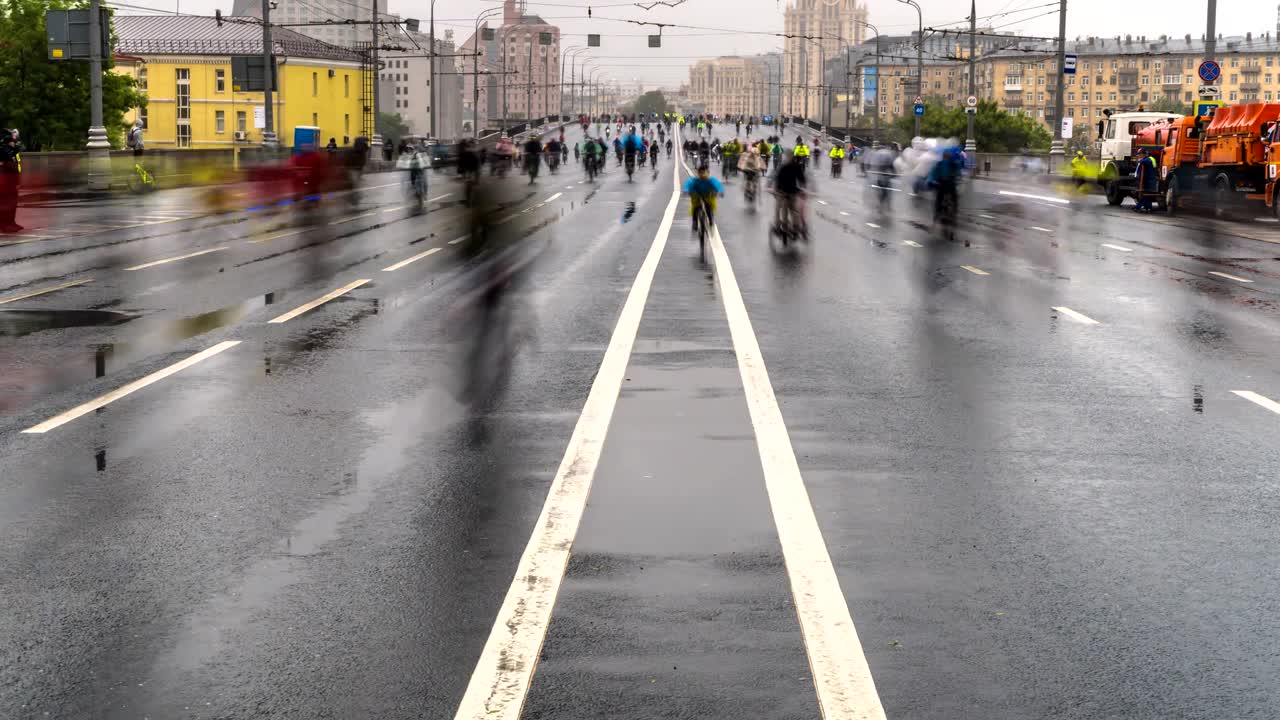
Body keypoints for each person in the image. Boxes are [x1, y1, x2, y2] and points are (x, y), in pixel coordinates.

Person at [771, 150, 808, 236]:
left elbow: (778, 180)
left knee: (783, 209)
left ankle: (782, 226)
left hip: (785, 192)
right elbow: (802, 180)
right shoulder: (795, 166)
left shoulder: (783, 166)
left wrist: (777, 191)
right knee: (792, 210)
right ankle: (793, 227)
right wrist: (802, 189)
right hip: (790, 192)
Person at [682, 164, 724, 232]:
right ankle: (695, 222)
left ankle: (710, 219)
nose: (702, 175)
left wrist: (720, 192)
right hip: (697, 195)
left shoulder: (710, 180)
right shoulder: (695, 180)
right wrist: (685, 191)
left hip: (708, 195)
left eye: (703, 172)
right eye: (700, 173)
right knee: (695, 208)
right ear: (698, 173)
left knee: (708, 207)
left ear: (707, 172)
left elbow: (718, 185)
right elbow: (688, 184)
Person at [0, 129, 21, 233]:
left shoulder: (12, 150)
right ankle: (5, 225)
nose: (15, 142)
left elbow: (15, 164)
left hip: (11, 181)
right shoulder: (3, 151)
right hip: (5, 182)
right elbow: (8, 165)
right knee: (5, 204)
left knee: (12, 203)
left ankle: (11, 223)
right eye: (13, 141)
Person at [1134, 147, 1158, 212]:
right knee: (1146, 195)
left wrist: (1140, 161)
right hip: (1146, 180)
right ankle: (1147, 207)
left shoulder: (1149, 159)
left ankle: (1139, 206)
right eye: (1138, 154)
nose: (1138, 155)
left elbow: (1148, 162)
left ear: (1144, 154)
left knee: (1146, 195)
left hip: (1149, 181)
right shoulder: (1145, 159)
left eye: (1139, 154)